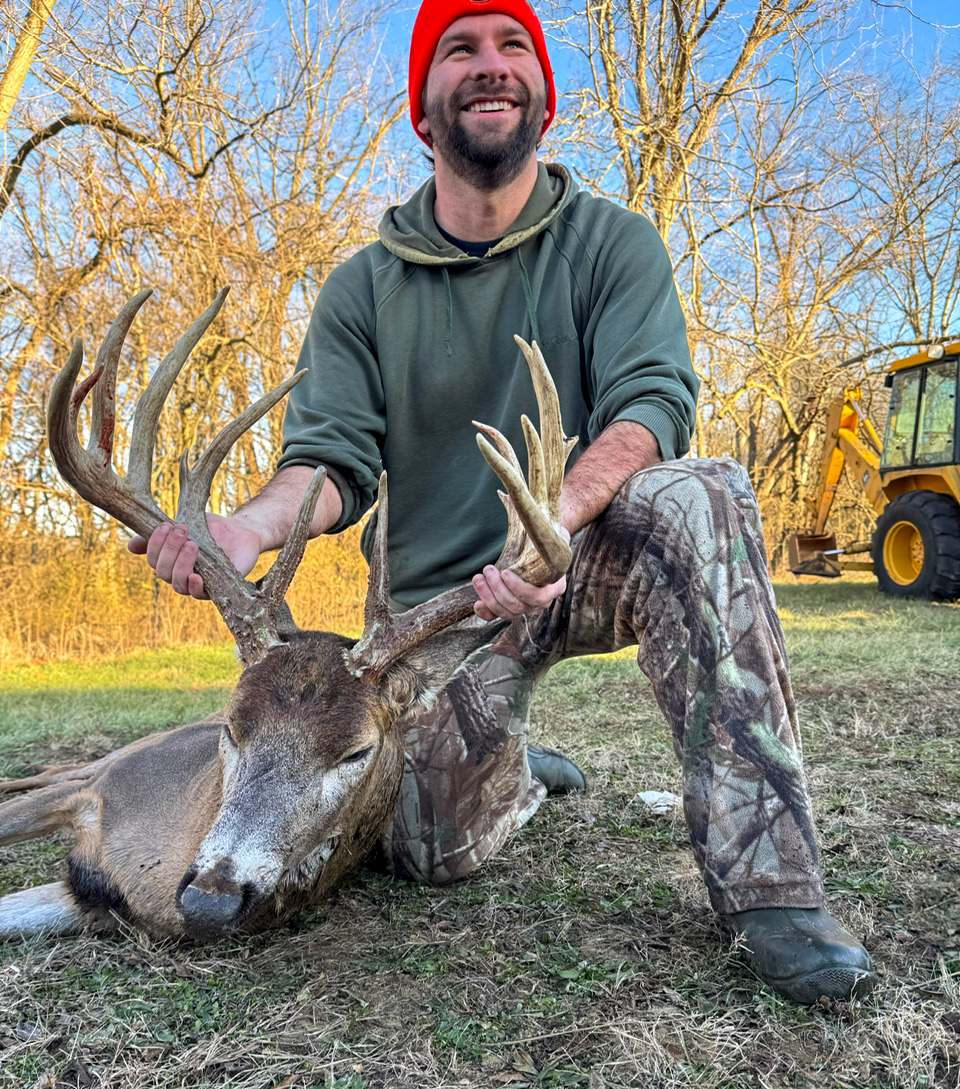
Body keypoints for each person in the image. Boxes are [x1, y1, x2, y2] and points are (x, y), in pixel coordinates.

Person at [133, 0, 877, 1004]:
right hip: (438, 623)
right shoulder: (364, 289)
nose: (491, 66)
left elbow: (651, 404)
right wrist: (244, 528)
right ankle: (514, 765)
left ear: (542, 94)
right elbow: (329, 461)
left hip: (582, 552)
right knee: (424, 852)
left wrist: (555, 517)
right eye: (460, 50)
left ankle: (772, 889)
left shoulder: (613, 245)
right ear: (424, 108)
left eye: (512, 46)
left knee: (700, 492)